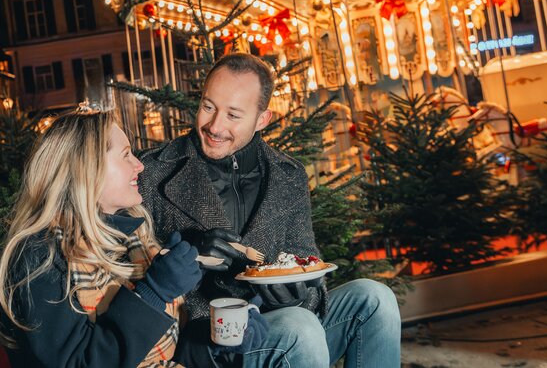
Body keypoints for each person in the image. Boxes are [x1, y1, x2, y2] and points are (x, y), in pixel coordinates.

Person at [0, 109, 311, 368]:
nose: (139, 165)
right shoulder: (39, 255)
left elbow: (168, 348)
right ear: (87, 168)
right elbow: (80, 362)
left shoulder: (132, 234)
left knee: (343, 307)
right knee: (297, 330)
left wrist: (216, 342)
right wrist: (154, 292)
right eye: (125, 155)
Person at [139, 53, 402, 367]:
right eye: (208, 106)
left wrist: (301, 296)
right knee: (299, 328)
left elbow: (309, 266)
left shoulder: (288, 175)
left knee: (375, 299)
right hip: (208, 342)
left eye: (233, 115)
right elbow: (131, 277)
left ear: (261, 119)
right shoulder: (152, 172)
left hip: (277, 325)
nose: (214, 125)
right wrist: (183, 251)